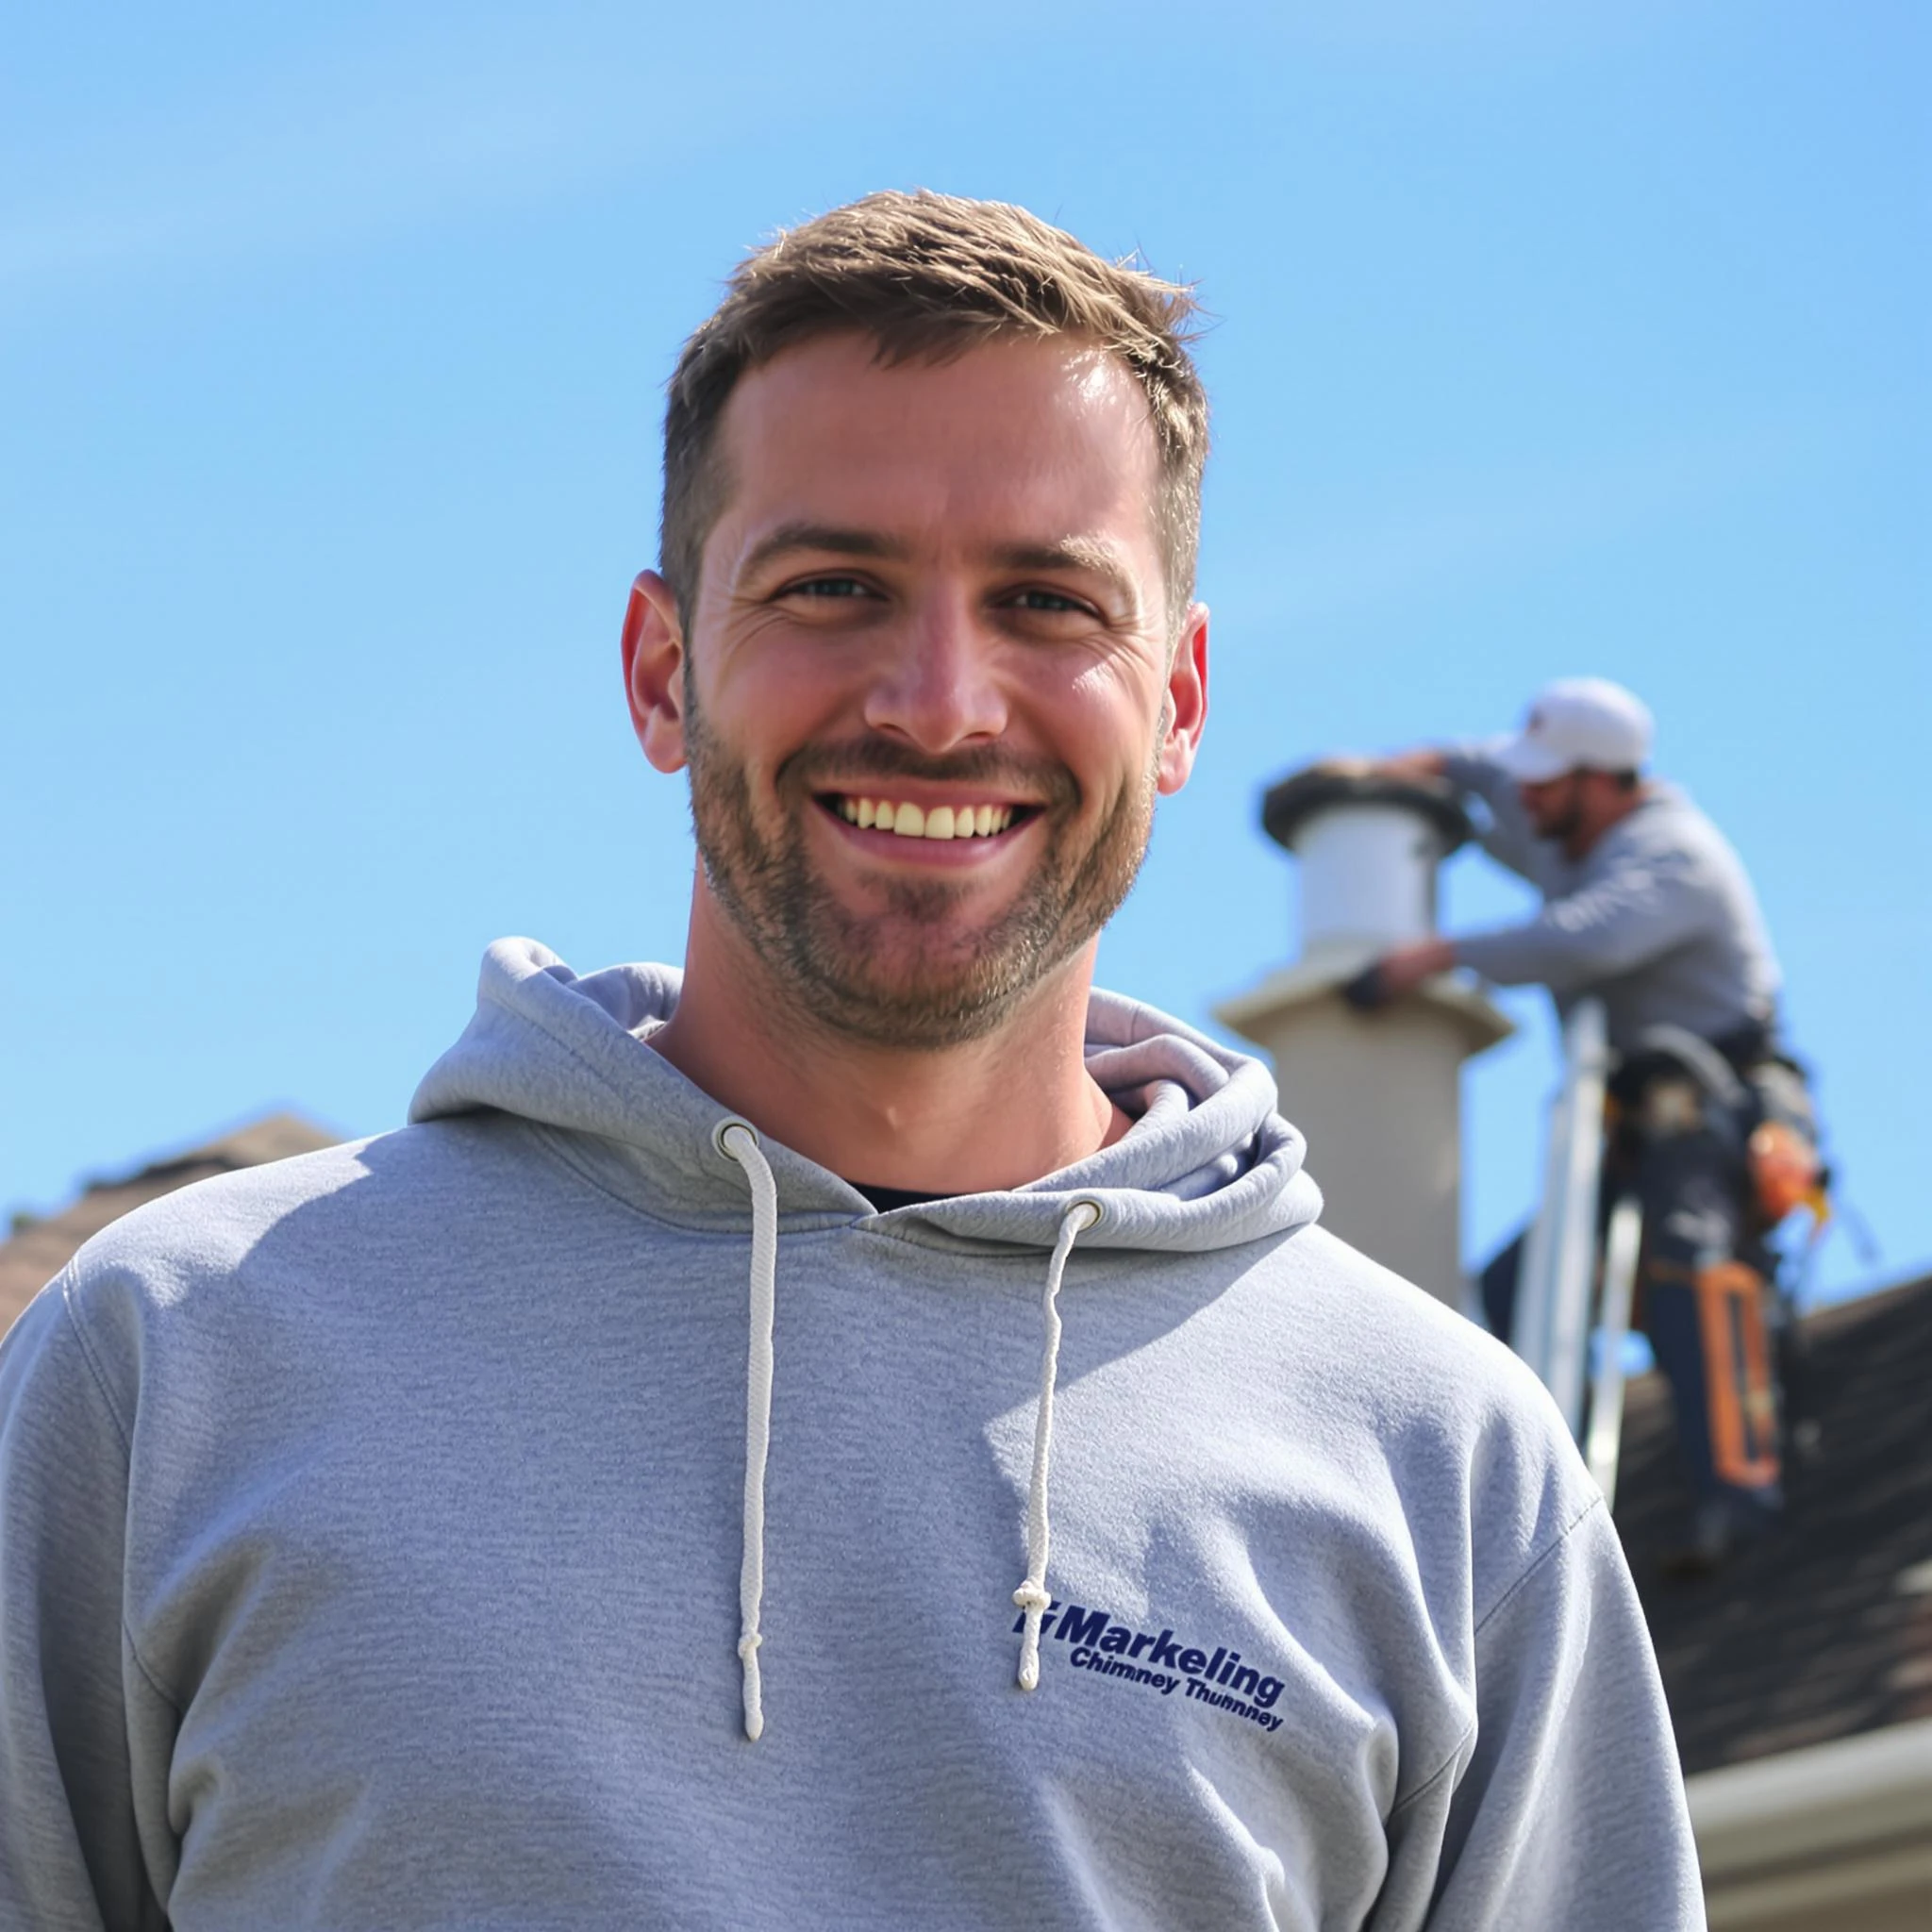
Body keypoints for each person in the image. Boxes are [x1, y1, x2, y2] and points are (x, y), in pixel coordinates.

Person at [0, 195, 1704, 1928]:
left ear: (1178, 701)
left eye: (1047, 600)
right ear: (663, 672)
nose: (942, 700)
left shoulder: (1442, 1468)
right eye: (835, 586)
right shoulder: (173, 1364)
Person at [1352, 678, 1810, 1569]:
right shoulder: (1569, 820)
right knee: (1519, 1295)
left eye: (1545, 782)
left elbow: (1580, 940)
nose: (1524, 798)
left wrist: (1437, 957)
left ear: (1602, 781)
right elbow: (1485, 770)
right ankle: (1498, 1531)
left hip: (1714, 1110)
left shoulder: (1673, 857)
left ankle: (1742, 1507)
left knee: (1690, 1263)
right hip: (1638, 1123)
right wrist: (1415, 770)